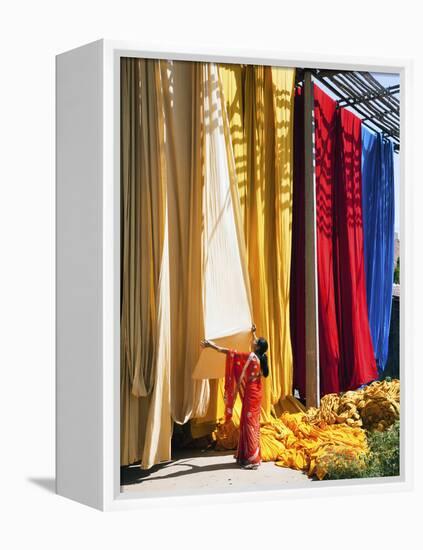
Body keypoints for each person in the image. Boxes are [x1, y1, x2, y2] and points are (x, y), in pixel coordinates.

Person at [200, 324, 269, 469]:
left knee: (249, 423)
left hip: (251, 394)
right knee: (250, 422)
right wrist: (254, 333)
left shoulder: (251, 357)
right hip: (257, 392)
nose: (252, 341)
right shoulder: (262, 357)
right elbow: (259, 347)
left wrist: (211, 345)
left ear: (256, 347)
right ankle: (247, 454)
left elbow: (229, 353)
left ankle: (253, 459)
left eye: (254, 342)